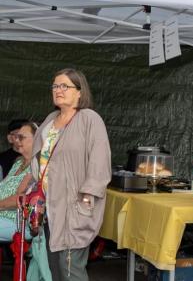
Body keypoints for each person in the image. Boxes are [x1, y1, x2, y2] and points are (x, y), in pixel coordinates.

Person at [31, 68, 111, 281]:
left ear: (79, 92)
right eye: (55, 86)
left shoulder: (89, 119)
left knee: (71, 269)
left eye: (65, 86)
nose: (58, 90)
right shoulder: (50, 120)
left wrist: (87, 197)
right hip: (48, 208)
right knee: (53, 268)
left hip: (74, 208)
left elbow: (100, 161)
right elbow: (38, 161)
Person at [0, 121, 37, 240]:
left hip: (17, 221)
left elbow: (20, 199)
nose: (16, 140)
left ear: (36, 139)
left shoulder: (36, 166)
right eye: (16, 137)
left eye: (21, 137)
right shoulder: (18, 162)